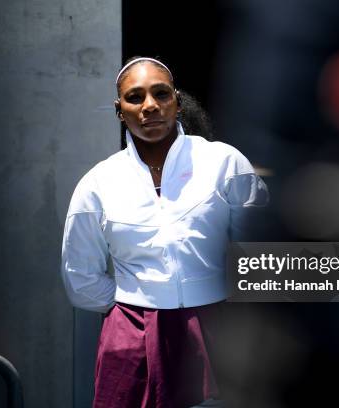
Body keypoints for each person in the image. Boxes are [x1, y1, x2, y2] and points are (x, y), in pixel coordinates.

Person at [61, 56, 269, 407]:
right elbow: (80, 278)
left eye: (160, 94)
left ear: (177, 100)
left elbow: (260, 249)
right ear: (118, 109)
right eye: (135, 97)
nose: (150, 106)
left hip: (218, 326)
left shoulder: (223, 163)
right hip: (130, 335)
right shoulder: (98, 182)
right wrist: (134, 303)